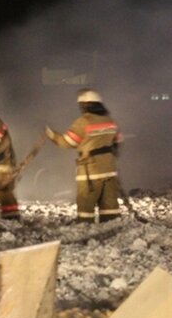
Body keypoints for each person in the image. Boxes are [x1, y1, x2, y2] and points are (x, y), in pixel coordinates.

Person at [45, 89, 123, 223]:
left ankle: (85, 229)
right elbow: (117, 141)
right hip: (109, 169)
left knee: (86, 204)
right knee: (110, 206)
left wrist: (52, 135)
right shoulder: (110, 121)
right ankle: (112, 228)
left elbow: (67, 142)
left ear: (84, 105)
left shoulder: (83, 121)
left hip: (90, 171)